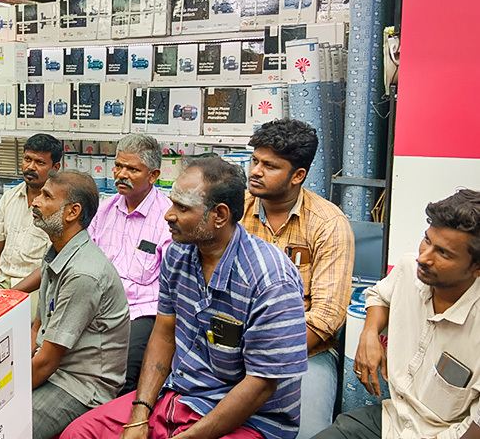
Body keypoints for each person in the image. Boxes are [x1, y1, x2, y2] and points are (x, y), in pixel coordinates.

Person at [62, 157, 308, 439]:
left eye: (182, 207)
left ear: (220, 215)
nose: (168, 215)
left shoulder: (270, 279)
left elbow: (260, 385)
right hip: (179, 396)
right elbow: (164, 333)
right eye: (171, 203)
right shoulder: (178, 254)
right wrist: (140, 415)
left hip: (248, 419)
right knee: (79, 433)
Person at [314, 189, 480, 439]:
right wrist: (369, 333)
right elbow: (380, 295)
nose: (424, 258)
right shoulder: (409, 268)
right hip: (393, 419)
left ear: (476, 268)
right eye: (426, 240)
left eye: (443, 253)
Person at [242, 119, 354, 439]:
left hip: (305, 353)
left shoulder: (329, 224)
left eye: (270, 166)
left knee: (306, 435)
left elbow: (326, 317)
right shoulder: (235, 212)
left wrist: (264, 354)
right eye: (255, 161)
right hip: (233, 341)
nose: (256, 171)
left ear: (298, 176)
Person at [31, 171, 130, 439]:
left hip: (81, 386)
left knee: (9, 424)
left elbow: (47, 362)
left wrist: (8, 390)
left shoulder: (83, 273)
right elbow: (38, 325)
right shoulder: (56, 252)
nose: (35, 202)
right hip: (55, 369)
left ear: (72, 212)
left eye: (46, 196)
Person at [86, 134, 172, 396]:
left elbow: (171, 283)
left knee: (124, 374)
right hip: (99, 305)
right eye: (118, 166)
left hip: (140, 311)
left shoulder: (167, 218)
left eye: (132, 169)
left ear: (153, 175)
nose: (121, 174)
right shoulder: (104, 209)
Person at [0, 133, 62, 315]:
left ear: (55, 168)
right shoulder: (9, 197)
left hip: (36, 288)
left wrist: (10, 296)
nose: (30, 167)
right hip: (1, 281)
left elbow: (50, 266)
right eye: (27, 159)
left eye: (39, 163)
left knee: (12, 318)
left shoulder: (60, 208)